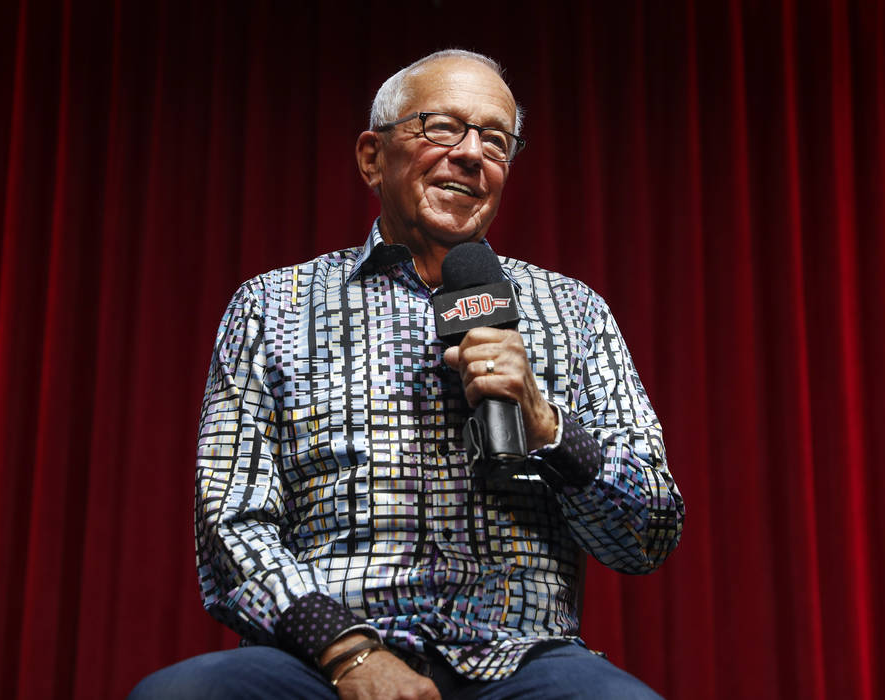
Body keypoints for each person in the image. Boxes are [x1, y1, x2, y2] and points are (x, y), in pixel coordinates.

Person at [131, 49, 684, 700]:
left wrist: (548, 426)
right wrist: (350, 655)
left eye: (496, 140)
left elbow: (650, 533)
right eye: (443, 127)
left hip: (524, 658)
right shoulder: (271, 306)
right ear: (373, 158)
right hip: (323, 657)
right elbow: (232, 528)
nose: (472, 153)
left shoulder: (576, 311)